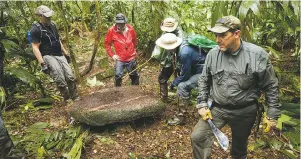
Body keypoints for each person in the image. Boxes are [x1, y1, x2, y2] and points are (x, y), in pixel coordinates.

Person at [190, 15, 281, 159]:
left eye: (222, 35)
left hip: (244, 112)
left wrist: (272, 113)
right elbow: (204, 79)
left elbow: (270, 85)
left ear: (236, 34)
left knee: (239, 149)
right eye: (216, 35)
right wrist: (202, 103)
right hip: (217, 109)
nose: (217, 40)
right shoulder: (213, 54)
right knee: (198, 137)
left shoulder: (257, 55)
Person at [155, 33, 207, 125]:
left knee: (182, 86)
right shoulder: (182, 47)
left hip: (204, 72)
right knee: (183, 84)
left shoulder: (184, 53)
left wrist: (174, 83)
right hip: (198, 68)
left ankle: (181, 117)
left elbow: (185, 76)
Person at [30, 5, 79, 102]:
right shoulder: (35, 29)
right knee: (59, 77)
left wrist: (65, 53)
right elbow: (35, 47)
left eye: (49, 16)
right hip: (48, 55)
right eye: (46, 16)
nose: (49, 18)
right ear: (40, 16)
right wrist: (42, 63)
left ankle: (75, 96)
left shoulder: (53, 25)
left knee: (70, 75)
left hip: (59, 53)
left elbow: (58, 40)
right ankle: (67, 98)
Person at [152, 17, 186, 102]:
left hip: (181, 59)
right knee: (162, 78)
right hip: (169, 59)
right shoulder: (165, 33)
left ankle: (182, 102)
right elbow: (161, 47)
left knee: (181, 80)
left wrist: (179, 63)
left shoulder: (181, 34)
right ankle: (164, 98)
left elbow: (183, 50)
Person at [104, 13, 139, 87]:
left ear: (125, 23)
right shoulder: (111, 30)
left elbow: (134, 40)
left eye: (121, 24)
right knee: (118, 75)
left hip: (131, 57)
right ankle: (118, 92)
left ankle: (135, 91)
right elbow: (107, 44)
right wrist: (112, 55)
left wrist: (131, 50)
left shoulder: (131, 29)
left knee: (134, 75)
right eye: (117, 24)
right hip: (120, 58)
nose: (119, 26)